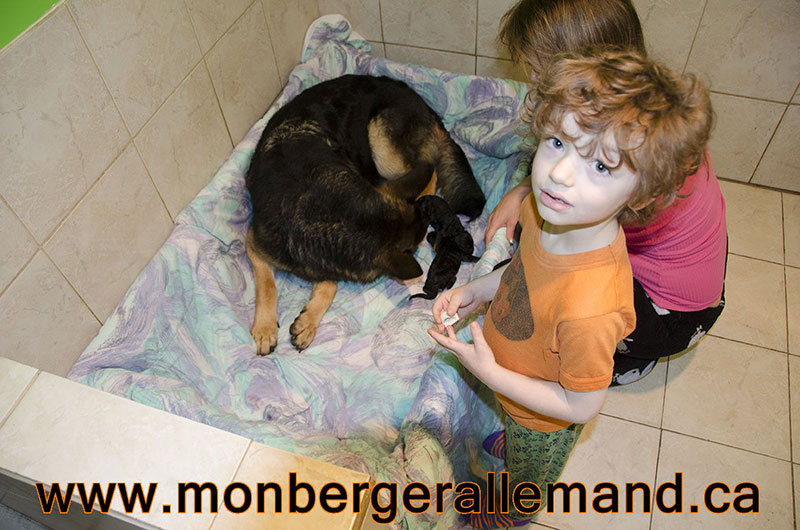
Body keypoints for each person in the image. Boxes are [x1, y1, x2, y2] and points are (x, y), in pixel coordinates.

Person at [428, 50, 714, 528]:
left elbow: (582, 404)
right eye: (558, 142)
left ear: (640, 194)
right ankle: (514, 444)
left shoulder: (591, 309)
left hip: (544, 421)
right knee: (516, 438)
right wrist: (479, 288)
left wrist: (490, 374)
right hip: (518, 385)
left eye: (600, 166)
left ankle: (515, 510)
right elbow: (523, 272)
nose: (559, 174)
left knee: (529, 475)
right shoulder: (548, 213)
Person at [488, 0, 727, 385]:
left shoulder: (639, 170)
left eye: (537, 70)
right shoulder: (655, 115)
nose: (531, 79)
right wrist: (521, 190)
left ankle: (621, 356)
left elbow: (550, 260)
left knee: (540, 276)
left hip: (671, 316)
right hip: (701, 276)